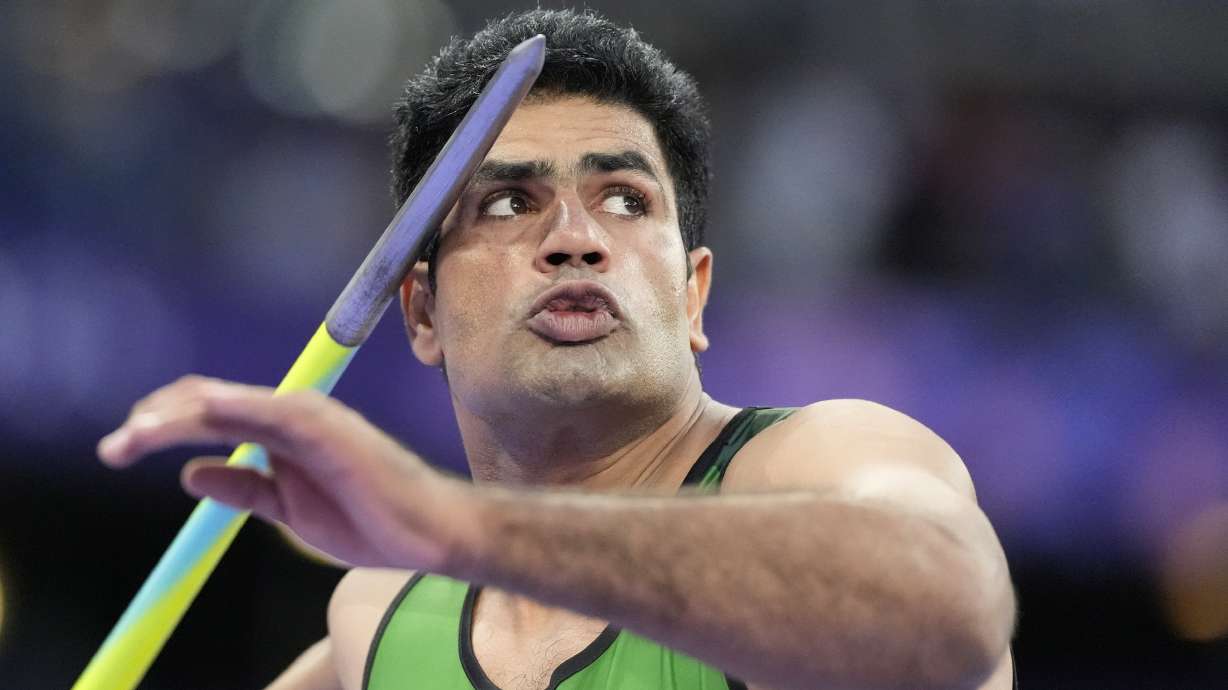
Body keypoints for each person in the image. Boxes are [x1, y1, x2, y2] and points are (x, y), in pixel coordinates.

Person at [99, 9, 1017, 690]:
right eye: (509, 203)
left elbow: (957, 610)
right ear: (419, 313)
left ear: (693, 292)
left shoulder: (820, 461)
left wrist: (452, 524)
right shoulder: (375, 630)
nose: (576, 237)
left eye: (625, 199)